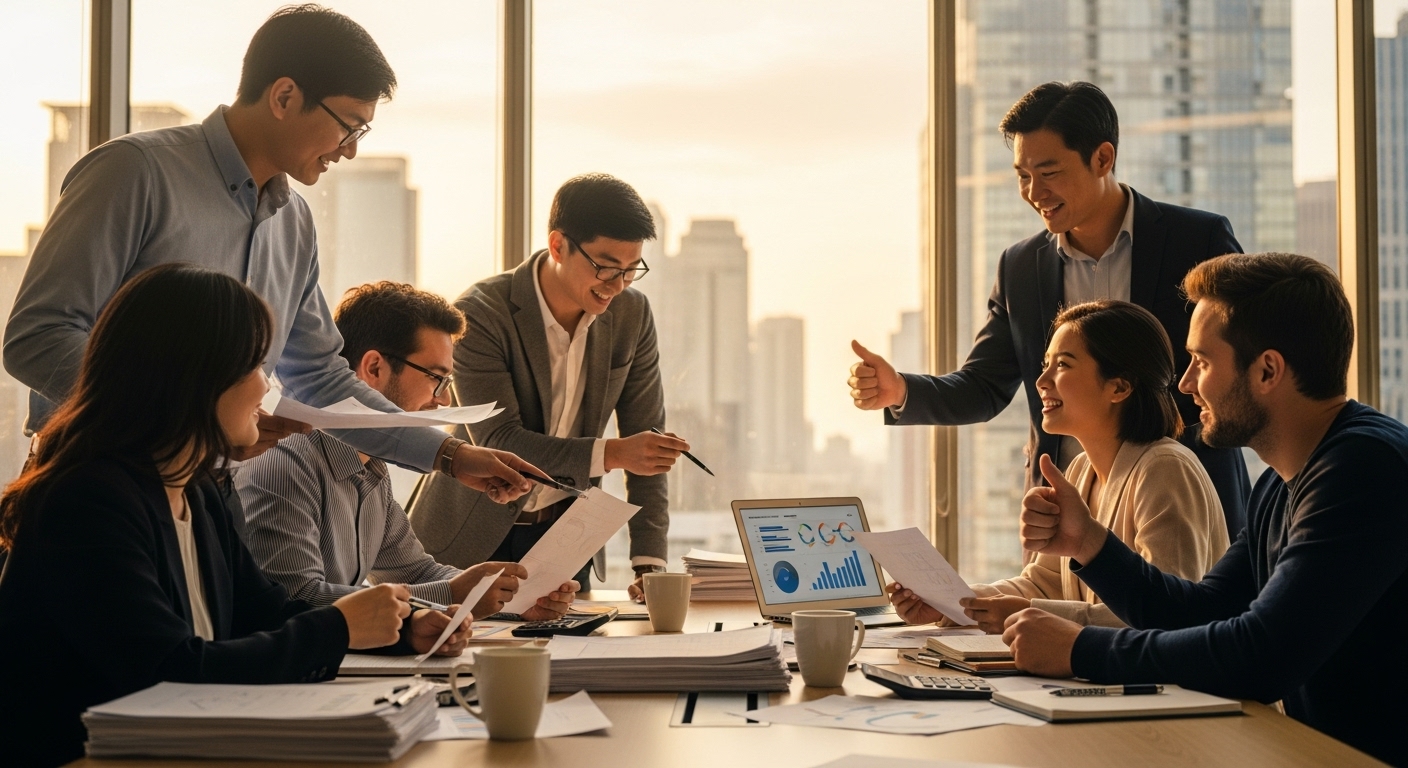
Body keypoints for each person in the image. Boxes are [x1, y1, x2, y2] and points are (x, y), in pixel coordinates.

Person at [3, 4, 535, 518]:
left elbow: (322, 379)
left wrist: (449, 455)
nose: (349, 150)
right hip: (95, 486)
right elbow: (37, 336)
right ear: (284, 95)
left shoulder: (295, 224)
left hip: (207, 498)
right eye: (348, 125)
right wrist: (193, 415)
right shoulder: (134, 173)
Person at [0, 265, 509, 768]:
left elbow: (262, 611)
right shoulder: (88, 501)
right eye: (254, 368)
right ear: (194, 377)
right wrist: (337, 629)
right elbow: (167, 670)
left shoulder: (198, 489)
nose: (267, 388)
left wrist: (406, 629)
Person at [1003, 253, 1408, 766]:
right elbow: (1201, 610)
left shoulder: (1364, 467)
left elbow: (1262, 656)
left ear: (1267, 371)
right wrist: (1089, 542)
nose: (1186, 383)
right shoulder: (1283, 484)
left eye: (1203, 361)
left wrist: (1081, 650)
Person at [847, 80, 1249, 535]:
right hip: (1067, 511)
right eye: (1022, 175)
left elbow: (1237, 365)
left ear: (1103, 158)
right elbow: (984, 386)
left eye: (1049, 172)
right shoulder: (1020, 267)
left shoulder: (1198, 240)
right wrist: (899, 390)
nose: (1033, 192)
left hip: (1182, 502)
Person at [408, 174, 683, 598]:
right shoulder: (480, 313)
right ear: (558, 245)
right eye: (606, 267)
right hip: (470, 538)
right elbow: (499, 438)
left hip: (568, 541)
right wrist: (612, 454)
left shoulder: (631, 314)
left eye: (632, 270)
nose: (617, 285)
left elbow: (648, 443)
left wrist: (650, 562)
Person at [238, 281, 579, 620]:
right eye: (436, 378)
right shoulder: (282, 464)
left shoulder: (371, 469)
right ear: (374, 368)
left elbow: (415, 573)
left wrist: (513, 598)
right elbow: (295, 599)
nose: (444, 400)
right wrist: (453, 593)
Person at [887, 301, 1229, 633]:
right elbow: (1043, 583)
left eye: (1063, 365)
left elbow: (1168, 616)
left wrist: (1029, 613)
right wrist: (955, 603)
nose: (1041, 381)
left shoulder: (1165, 469)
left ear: (1119, 386)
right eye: (1046, 364)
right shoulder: (1081, 470)